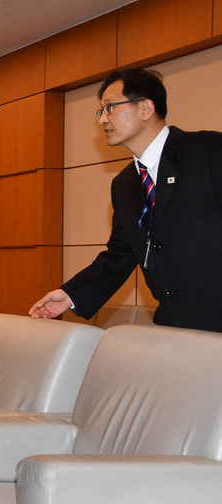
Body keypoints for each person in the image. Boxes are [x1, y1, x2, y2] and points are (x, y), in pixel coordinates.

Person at [30, 68, 222, 332]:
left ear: (145, 108)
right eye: (101, 111)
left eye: (109, 108)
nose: (102, 120)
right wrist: (71, 295)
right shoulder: (125, 184)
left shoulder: (209, 150)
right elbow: (120, 255)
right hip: (175, 327)